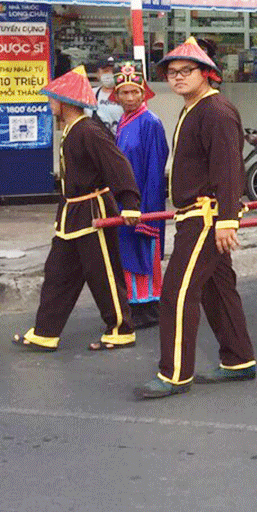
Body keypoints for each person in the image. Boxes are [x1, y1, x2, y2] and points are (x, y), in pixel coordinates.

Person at [134, 37, 255, 400]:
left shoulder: (216, 111)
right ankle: (239, 359)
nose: (177, 77)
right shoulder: (194, 107)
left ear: (206, 74)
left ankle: (174, 374)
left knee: (176, 292)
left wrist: (227, 220)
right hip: (194, 215)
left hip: (206, 216)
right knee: (218, 290)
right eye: (171, 72)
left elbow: (228, 168)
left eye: (186, 71)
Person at [11, 66, 141, 352]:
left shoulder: (89, 131)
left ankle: (121, 329)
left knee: (103, 272)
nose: (50, 104)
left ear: (65, 102)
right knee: (58, 272)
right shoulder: (72, 130)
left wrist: (129, 202)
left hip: (94, 212)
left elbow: (117, 166)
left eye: (52, 99)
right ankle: (46, 331)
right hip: (72, 214)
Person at [111, 61, 169, 328]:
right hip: (126, 202)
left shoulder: (150, 123)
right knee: (127, 252)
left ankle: (147, 307)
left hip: (144, 202)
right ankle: (134, 304)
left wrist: (148, 210)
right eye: (125, 92)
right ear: (117, 95)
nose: (130, 98)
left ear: (144, 93)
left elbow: (156, 168)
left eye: (135, 92)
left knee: (143, 253)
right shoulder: (123, 121)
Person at [92, 59, 124, 135]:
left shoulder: (127, 94)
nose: (110, 74)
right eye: (106, 71)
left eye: (114, 72)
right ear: (98, 74)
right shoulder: (90, 94)